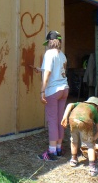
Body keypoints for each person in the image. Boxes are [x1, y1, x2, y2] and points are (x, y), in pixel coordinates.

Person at [37, 31, 69, 161]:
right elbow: (57, 71)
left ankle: (51, 152)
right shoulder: (62, 55)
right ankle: (59, 149)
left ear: (50, 41)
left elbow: (48, 73)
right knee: (60, 120)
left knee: (52, 121)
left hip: (53, 91)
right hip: (64, 89)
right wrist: (39, 69)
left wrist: (42, 91)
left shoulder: (49, 54)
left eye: (48, 42)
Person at [61, 96, 98, 177]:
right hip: (85, 121)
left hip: (72, 119)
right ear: (97, 106)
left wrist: (65, 117)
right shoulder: (94, 109)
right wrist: (93, 139)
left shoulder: (80, 103)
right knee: (90, 145)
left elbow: (69, 104)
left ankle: (73, 160)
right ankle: (92, 168)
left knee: (73, 141)